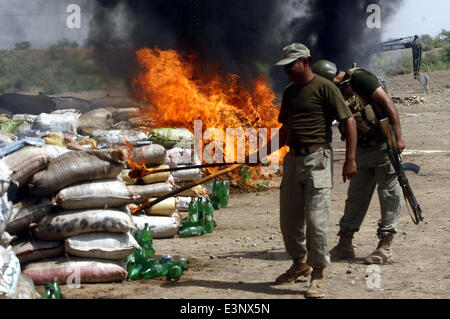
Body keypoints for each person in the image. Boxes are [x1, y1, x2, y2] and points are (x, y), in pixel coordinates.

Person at [273, 43, 357, 299]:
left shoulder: (325, 87)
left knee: (316, 222)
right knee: (289, 221)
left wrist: (350, 159)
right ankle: (300, 263)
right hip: (293, 161)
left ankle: (318, 274)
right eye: (284, 66)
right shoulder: (289, 91)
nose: (286, 70)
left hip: (318, 159)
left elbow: (348, 120)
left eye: (291, 65)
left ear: (305, 61)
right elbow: (285, 131)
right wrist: (259, 154)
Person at [312, 60, 406, 264]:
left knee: (389, 193)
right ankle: (345, 244)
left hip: (383, 146)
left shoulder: (359, 78)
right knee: (356, 196)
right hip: (361, 150)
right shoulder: (332, 91)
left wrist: (398, 136)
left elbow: (388, 103)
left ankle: (385, 246)